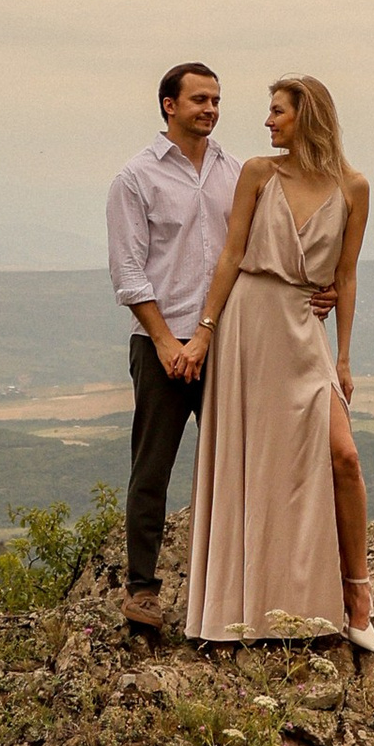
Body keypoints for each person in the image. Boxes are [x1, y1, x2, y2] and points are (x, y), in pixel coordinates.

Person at [186, 75, 374, 654]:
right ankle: (248, 610)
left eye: (277, 112)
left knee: (342, 455)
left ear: (307, 115)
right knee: (256, 465)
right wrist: (205, 331)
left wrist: (343, 357)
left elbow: (345, 277)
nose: (267, 123)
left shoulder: (354, 186)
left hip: (304, 327)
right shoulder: (259, 174)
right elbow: (231, 255)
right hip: (249, 325)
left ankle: (357, 593)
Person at [106, 60, 239, 636]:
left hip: (222, 342)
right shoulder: (135, 178)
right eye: (199, 100)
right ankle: (142, 592)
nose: (210, 109)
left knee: (233, 466)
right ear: (169, 104)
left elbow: (253, 252)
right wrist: (166, 341)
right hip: (159, 345)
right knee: (151, 470)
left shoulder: (236, 171)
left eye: (215, 100)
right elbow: (129, 271)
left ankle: (233, 589)